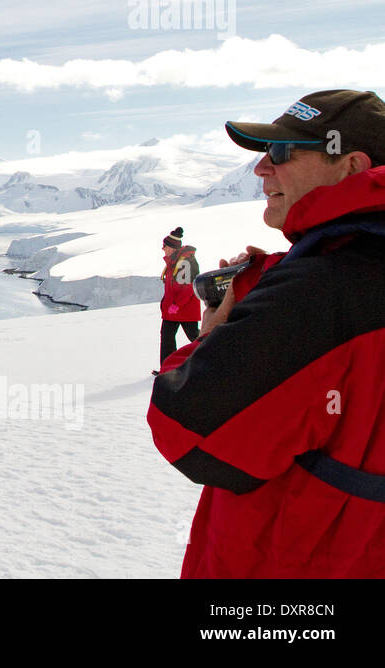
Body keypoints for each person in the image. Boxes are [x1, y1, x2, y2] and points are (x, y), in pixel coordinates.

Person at [148, 89, 385, 577]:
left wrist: (213, 334)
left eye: (281, 153)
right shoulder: (342, 273)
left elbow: (190, 430)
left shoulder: (323, 291)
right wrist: (270, 280)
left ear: (353, 167)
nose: (261, 169)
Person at [158, 227, 200, 365]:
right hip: (172, 310)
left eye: (165, 246)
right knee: (167, 337)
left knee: (195, 336)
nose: (163, 248)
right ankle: (167, 367)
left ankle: (214, 357)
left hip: (184, 309)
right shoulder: (173, 263)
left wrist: (177, 305)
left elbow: (187, 289)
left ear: (172, 247)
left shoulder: (184, 263)